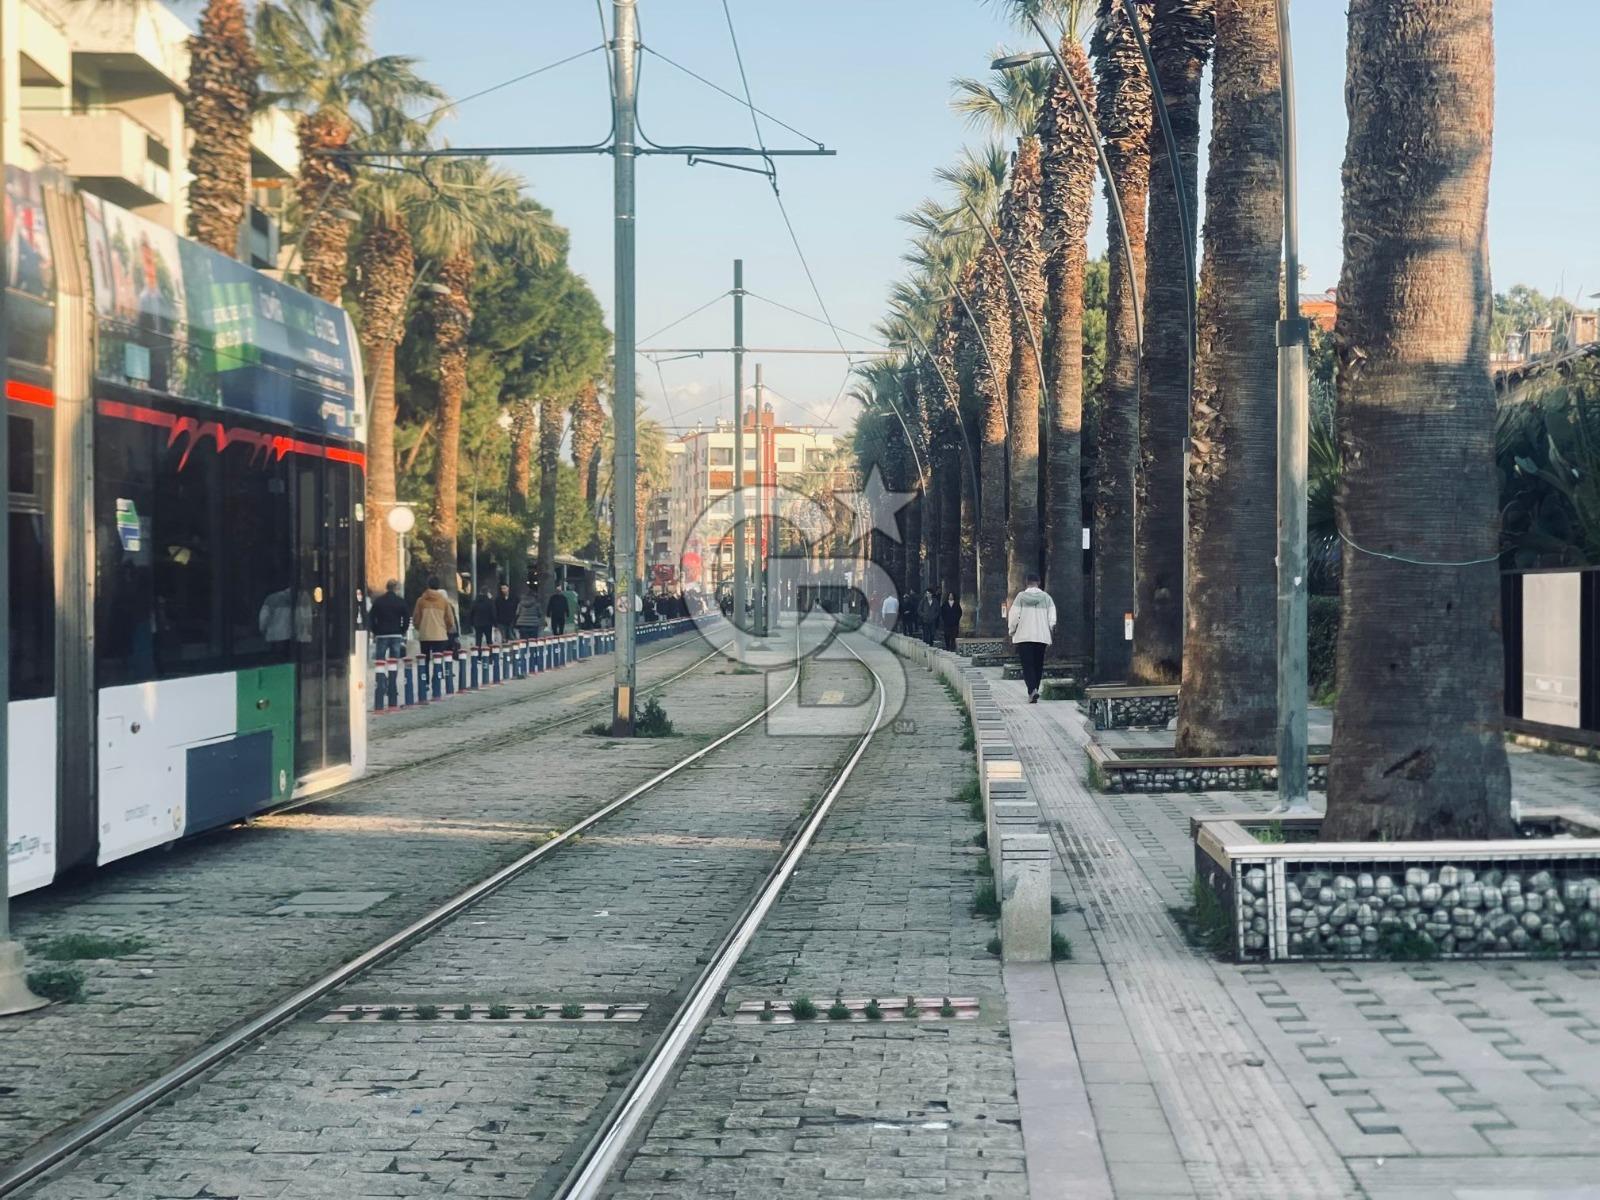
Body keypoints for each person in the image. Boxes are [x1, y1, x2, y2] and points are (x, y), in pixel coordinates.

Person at [1006, 572, 1057, 703]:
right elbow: (1052, 618)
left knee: (1027, 665)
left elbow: (1013, 617)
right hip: (1041, 636)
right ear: (1039, 582)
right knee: (1038, 664)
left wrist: (1012, 631)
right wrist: (1049, 629)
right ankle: (1035, 689)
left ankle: (1031, 690)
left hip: (1024, 636)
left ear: (1026, 583)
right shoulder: (1046, 598)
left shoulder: (1020, 597)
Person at [411, 576, 458, 680]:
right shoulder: (444, 601)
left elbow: (416, 618)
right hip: (440, 634)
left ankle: (425, 680)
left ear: (428, 585)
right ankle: (436, 678)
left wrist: (420, 627)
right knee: (438, 659)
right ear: (438, 586)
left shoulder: (421, 600)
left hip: (425, 635)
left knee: (425, 659)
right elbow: (450, 619)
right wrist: (446, 629)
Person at [370, 579, 409, 660]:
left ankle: (380, 672)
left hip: (381, 634)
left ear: (387, 588)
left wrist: (375, 630)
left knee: (380, 660)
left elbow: (371, 617)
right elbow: (406, 618)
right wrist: (402, 630)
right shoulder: (400, 601)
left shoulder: (379, 601)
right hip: (396, 633)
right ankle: (393, 673)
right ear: (396, 589)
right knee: (394, 662)